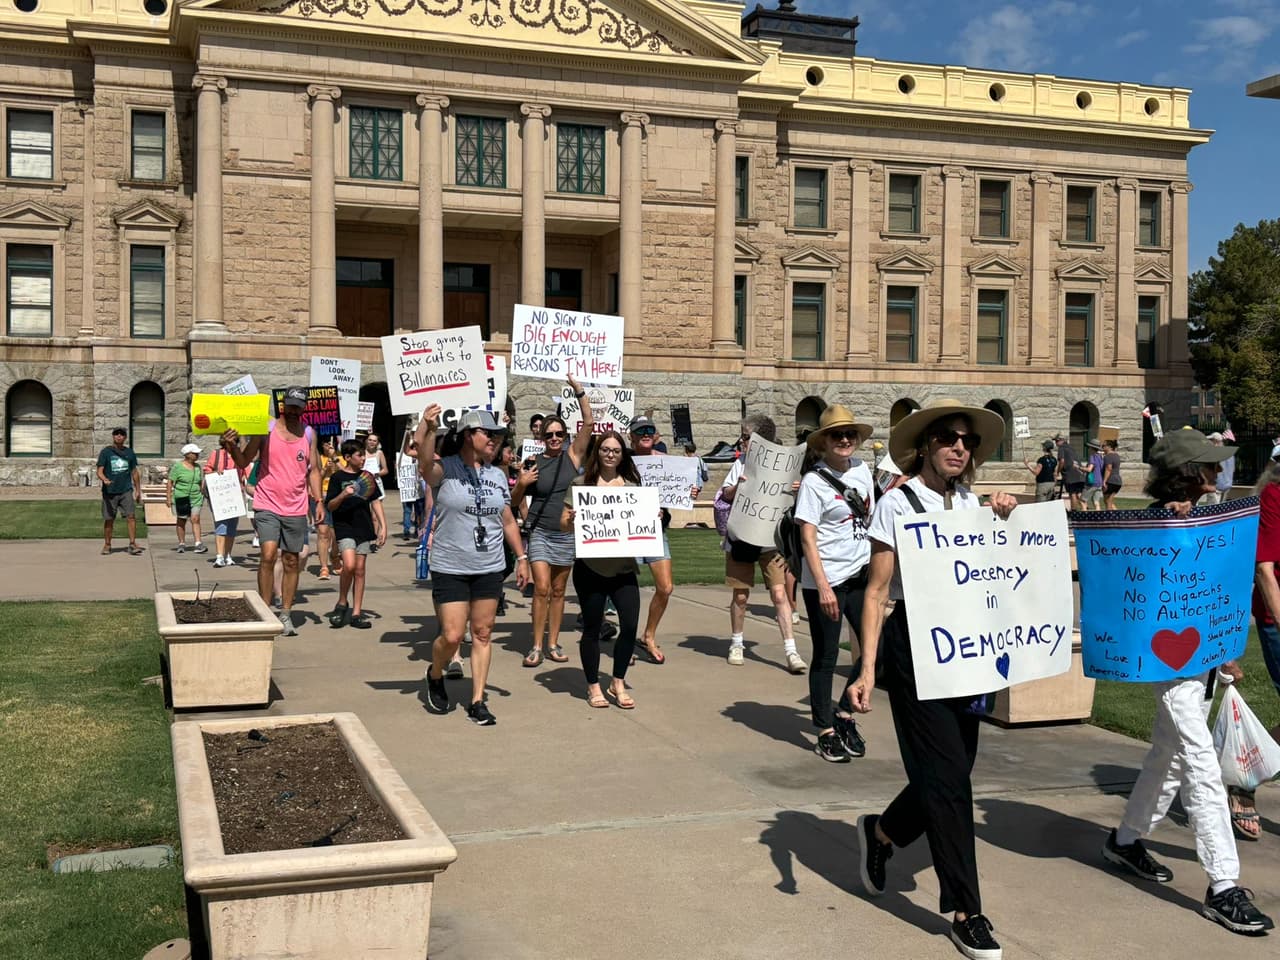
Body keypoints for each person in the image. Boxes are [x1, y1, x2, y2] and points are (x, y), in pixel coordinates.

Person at [849, 398, 1016, 960]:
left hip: (967, 653)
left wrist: (1004, 518)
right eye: (946, 437)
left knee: (949, 772)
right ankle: (967, 910)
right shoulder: (898, 503)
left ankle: (882, 832)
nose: (957, 447)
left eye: (966, 440)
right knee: (949, 781)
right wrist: (867, 669)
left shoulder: (972, 504)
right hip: (914, 651)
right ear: (925, 445)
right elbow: (875, 593)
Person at [1098, 428, 1272, 935]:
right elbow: (1129, 582)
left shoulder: (1209, 521)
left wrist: (1222, 655)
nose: (1220, 473)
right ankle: (1224, 885)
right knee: (1199, 758)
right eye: (1211, 466)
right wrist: (1163, 528)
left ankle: (1126, 840)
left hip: (1198, 658)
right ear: (1189, 474)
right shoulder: (1150, 528)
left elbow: (1210, 595)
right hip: (1164, 664)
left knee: (1168, 753)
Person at [416, 405, 530, 726]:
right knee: (452, 636)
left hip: (489, 565)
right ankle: (435, 672)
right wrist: (426, 427)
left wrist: (521, 558)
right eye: (489, 434)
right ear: (469, 435)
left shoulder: (495, 474)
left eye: (498, 435)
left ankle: (477, 700)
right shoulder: (446, 469)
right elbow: (425, 465)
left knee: (482, 633)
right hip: (451, 564)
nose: (495, 439)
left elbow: (507, 519)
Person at [795, 404, 874, 763]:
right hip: (826, 579)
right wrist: (824, 586)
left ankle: (844, 713)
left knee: (877, 648)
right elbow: (808, 538)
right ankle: (824, 729)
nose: (844, 440)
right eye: (836, 435)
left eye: (849, 434)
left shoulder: (862, 470)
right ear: (823, 442)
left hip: (861, 574)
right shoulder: (814, 481)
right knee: (826, 655)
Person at [220, 386, 322, 637]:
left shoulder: (309, 433)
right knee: (267, 554)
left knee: (291, 560)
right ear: (282, 406)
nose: (294, 410)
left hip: (296, 506)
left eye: (299, 406)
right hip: (267, 503)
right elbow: (244, 461)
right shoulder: (265, 428)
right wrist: (231, 445)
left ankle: (285, 614)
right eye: (290, 405)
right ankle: (265, 611)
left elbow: (315, 469)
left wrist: (318, 500)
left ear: (304, 407)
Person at [513, 376, 593, 668]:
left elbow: (589, 423)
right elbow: (513, 501)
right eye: (550, 435)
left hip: (566, 534)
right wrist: (522, 484)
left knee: (559, 590)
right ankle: (536, 645)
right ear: (541, 438)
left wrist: (579, 391)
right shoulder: (533, 462)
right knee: (543, 588)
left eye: (560, 433)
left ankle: (553, 643)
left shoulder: (572, 457)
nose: (556, 438)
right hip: (541, 533)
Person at [560, 430, 643, 709]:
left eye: (616, 450)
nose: (610, 454)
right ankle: (593, 685)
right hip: (590, 568)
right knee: (593, 628)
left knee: (630, 626)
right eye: (606, 450)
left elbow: (645, 521)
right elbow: (563, 523)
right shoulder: (581, 484)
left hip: (623, 568)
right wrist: (569, 519)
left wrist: (653, 516)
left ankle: (617, 680)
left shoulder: (632, 487)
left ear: (623, 455)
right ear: (598, 453)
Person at [719, 414, 804, 673]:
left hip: (771, 539)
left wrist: (797, 488)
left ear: (758, 439)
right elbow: (725, 493)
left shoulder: (784, 463)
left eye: (744, 437)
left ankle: (791, 650)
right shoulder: (741, 463)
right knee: (741, 595)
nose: (741, 442)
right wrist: (737, 488)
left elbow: (792, 499)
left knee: (779, 595)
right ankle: (737, 643)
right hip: (743, 536)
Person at [629, 414, 694, 664]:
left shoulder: (667, 462)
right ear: (631, 435)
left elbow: (680, 488)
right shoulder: (622, 460)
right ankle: (626, 639)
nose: (646, 433)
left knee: (665, 587)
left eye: (650, 429)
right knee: (626, 590)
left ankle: (649, 634)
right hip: (629, 530)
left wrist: (690, 490)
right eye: (640, 430)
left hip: (655, 529)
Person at [325, 439, 386, 629]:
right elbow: (330, 506)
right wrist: (344, 495)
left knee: (360, 570)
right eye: (359, 455)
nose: (362, 459)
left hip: (363, 527)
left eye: (362, 455)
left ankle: (357, 613)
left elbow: (375, 501)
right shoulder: (337, 478)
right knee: (349, 565)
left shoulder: (367, 477)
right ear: (348, 457)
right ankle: (342, 602)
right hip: (344, 526)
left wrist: (383, 526)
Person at [96, 427, 144, 556]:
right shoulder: (106, 452)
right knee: (109, 519)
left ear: (125, 437)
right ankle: (107, 544)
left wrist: (138, 490)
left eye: (121, 434)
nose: (119, 436)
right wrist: (105, 479)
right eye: (116, 434)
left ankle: (132, 543)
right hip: (110, 491)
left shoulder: (129, 453)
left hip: (126, 490)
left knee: (131, 516)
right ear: (113, 436)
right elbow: (99, 470)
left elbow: (134, 472)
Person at [204, 443, 248, 567]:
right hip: (219, 495)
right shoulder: (217, 454)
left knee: (232, 528)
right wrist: (215, 473)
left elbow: (246, 471)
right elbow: (207, 470)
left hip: (235, 495)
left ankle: (228, 554)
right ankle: (219, 556)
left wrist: (244, 481)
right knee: (221, 525)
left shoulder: (240, 455)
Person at [167, 442, 208, 554]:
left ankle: (198, 543)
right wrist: (169, 497)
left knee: (195, 519)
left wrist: (202, 492)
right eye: (195, 453)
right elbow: (170, 482)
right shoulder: (178, 467)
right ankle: (181, 543)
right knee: (181, 520)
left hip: (196, 497)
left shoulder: (198, 467)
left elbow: (200, 481)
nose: (197, 455)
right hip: (181, 497)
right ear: (188, 454)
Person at [397, 433, 425, 540]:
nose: (415, 448)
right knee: (408, 511)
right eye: (413, 446)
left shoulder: (422, 455)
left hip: (419, 488)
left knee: (419, 511)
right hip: (408, 488)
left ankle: (418, 530)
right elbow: (406, 451)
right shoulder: (404, 457)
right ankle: (406, 531)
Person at [1200, 432, 1234, 504]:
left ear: (1216, 441)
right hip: (1227, 485)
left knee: (1212, 509)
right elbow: (1232, 470)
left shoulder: (1215, 454)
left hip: (1216, 486)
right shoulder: (1231, 454)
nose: (1210, 442)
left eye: (1211, 440)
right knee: (1221, 509)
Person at [1055, 433, 1086, 511]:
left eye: (1056, 441)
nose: (1056, 443)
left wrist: (1057, 472)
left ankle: (1073, 511)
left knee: (1072, 493)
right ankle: (1084, 509)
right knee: (1079, 493)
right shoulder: (1071, 448)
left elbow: (1062, 461)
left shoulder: (1061, 448)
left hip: (1070, 475)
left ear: (1061, 441)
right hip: (1080, 474)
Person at [1101, 438, 1123, 510]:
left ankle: (1109, 518)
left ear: (1109, 447)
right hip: (1118, 481)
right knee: (1109, 501)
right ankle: (1116, 516)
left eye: (1104, 446)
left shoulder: (1108, 456)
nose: (1102, 447)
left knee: (1107, 501)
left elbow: (1108, 469)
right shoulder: (1116, 455)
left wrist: (1104, 481)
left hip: (1110, 481)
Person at [1084, 439, 1105, 510]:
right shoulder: (1101, 457)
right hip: (1099, 482)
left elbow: (1089, 469)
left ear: (1091, 448)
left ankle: (1083, 518)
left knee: (1082, 500)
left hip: (1092, 481)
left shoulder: (1092, 456)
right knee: (1096, 501)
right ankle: (1098, 517)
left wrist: (1079, 467)